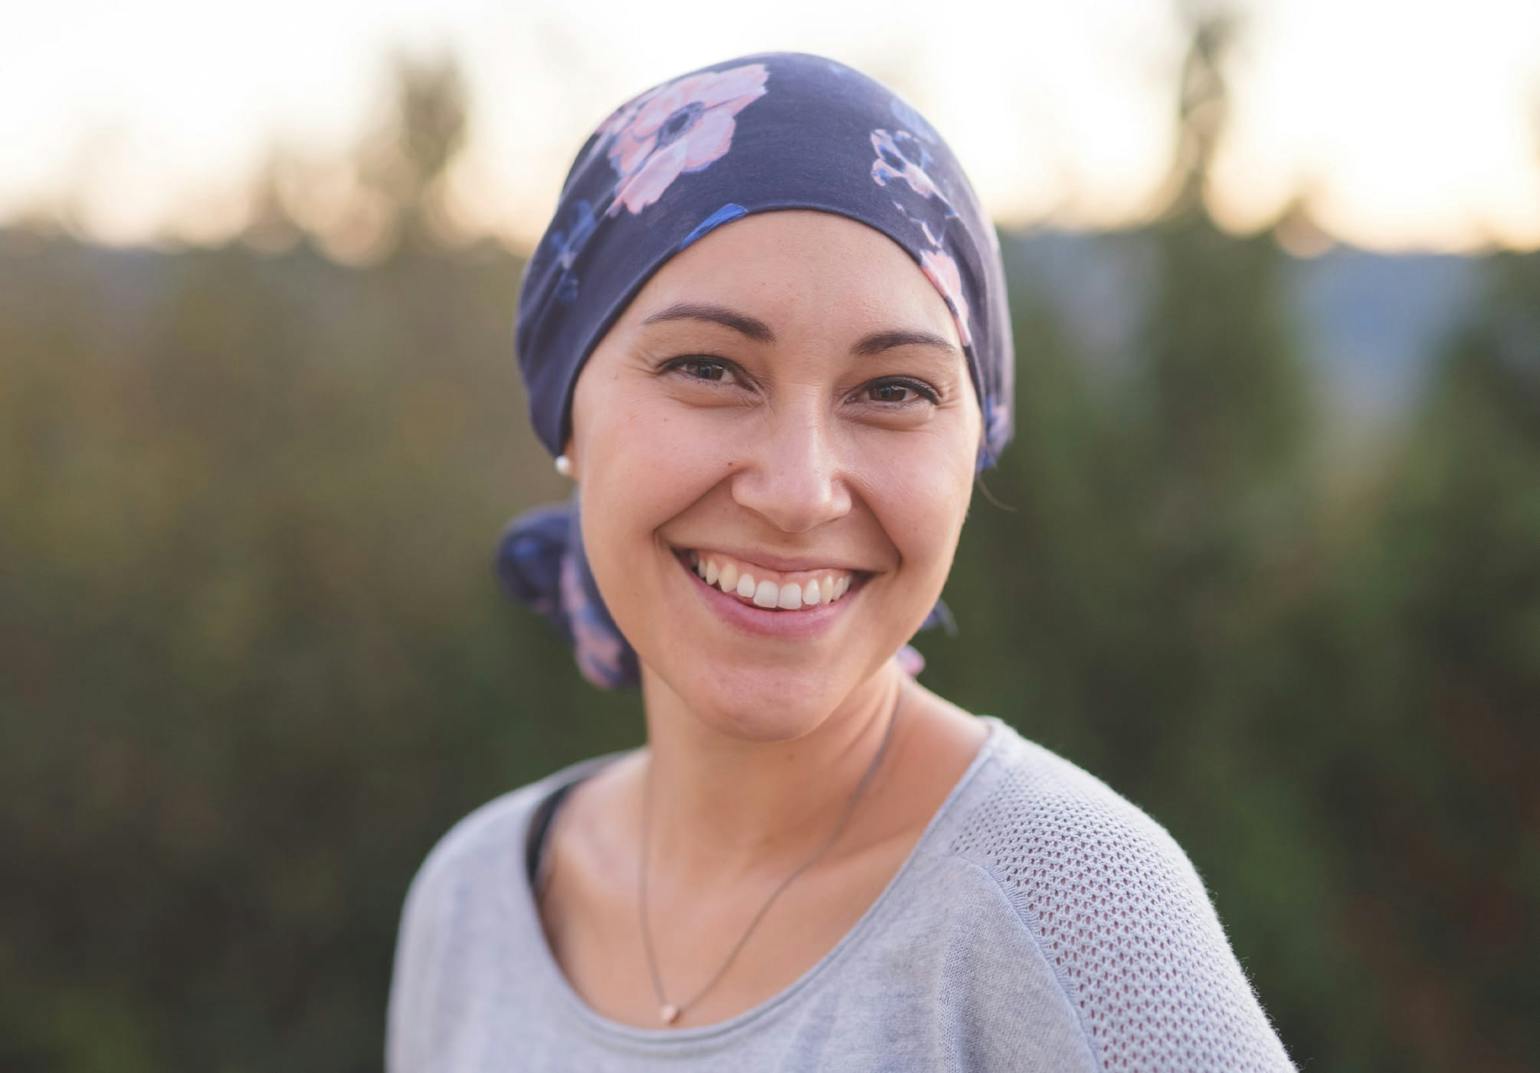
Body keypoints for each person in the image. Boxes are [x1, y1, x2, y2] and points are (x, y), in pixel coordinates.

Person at [386, 51, 1296, 1072]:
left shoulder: (1069, 899)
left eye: (893, 389)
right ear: (568, 413)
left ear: (974, 446)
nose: (800, 488)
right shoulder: (472, 901)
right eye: (708, 368)